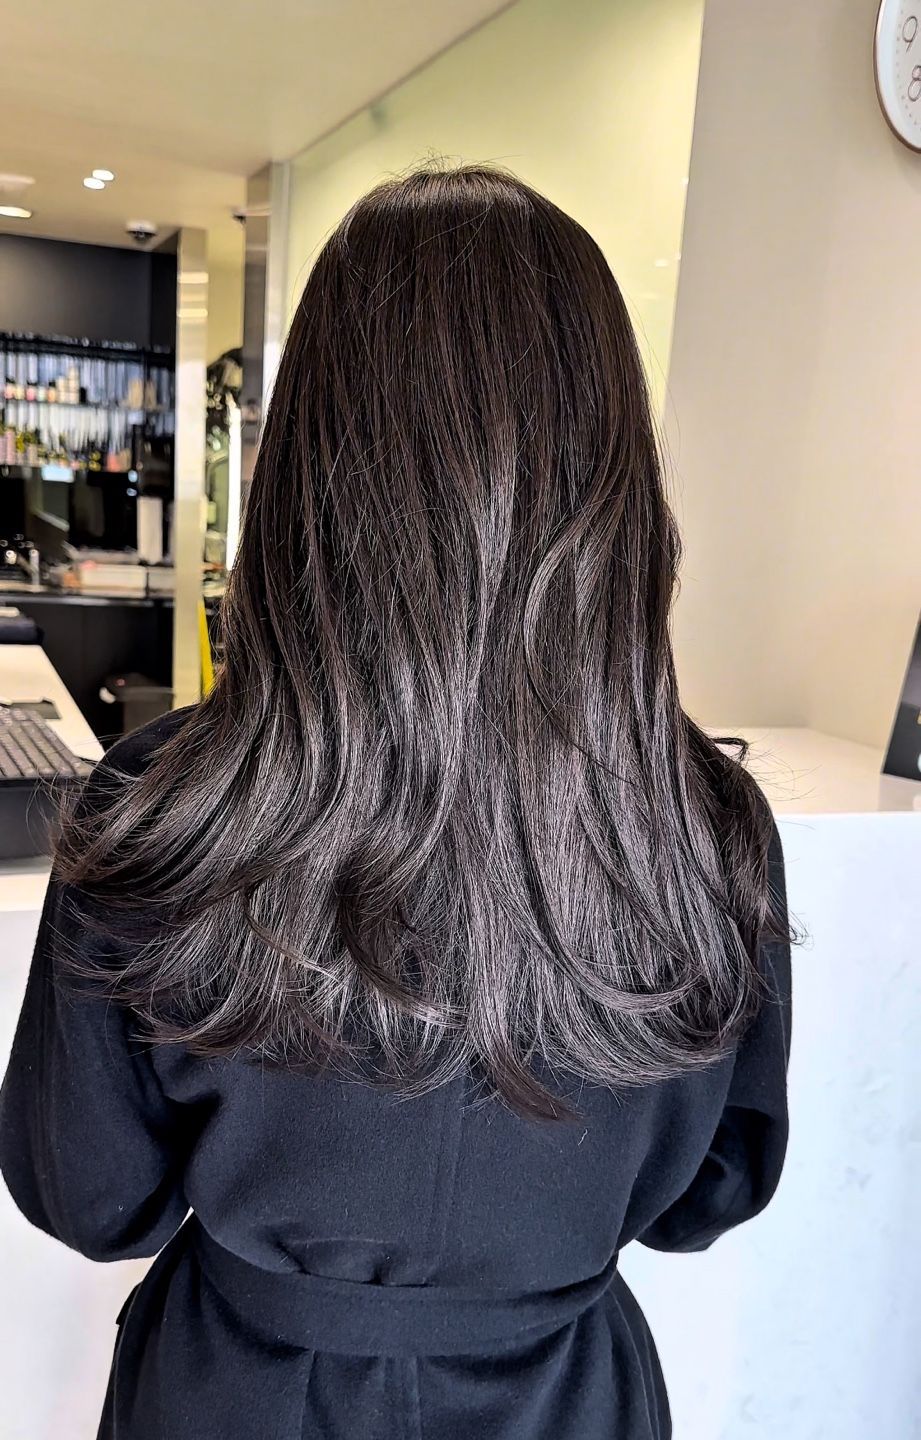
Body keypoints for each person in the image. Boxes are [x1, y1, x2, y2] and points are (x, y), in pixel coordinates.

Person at [0, 165, 791, 1440]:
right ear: (608, 474)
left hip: (229, 1400)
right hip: (563, 1404)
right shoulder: (699, 825)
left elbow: (89, 1200)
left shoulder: (167, 808)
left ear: (311, 463)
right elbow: (707, 1196)